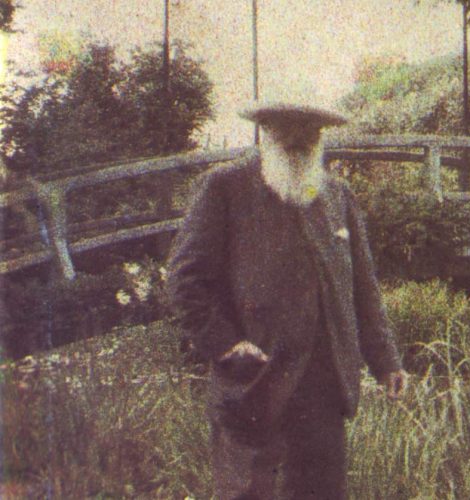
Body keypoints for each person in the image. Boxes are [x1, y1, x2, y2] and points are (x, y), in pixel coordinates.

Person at [166, 102, 405, 499]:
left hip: (323, 392)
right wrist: (227, 343)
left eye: (310, 130)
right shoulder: (225, 187)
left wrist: (385, 360)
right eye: (286, 128)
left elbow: (362, 288)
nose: (298, 139)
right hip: (254, 383)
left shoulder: (337, 196)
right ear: (264, 130)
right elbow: (185, 279)